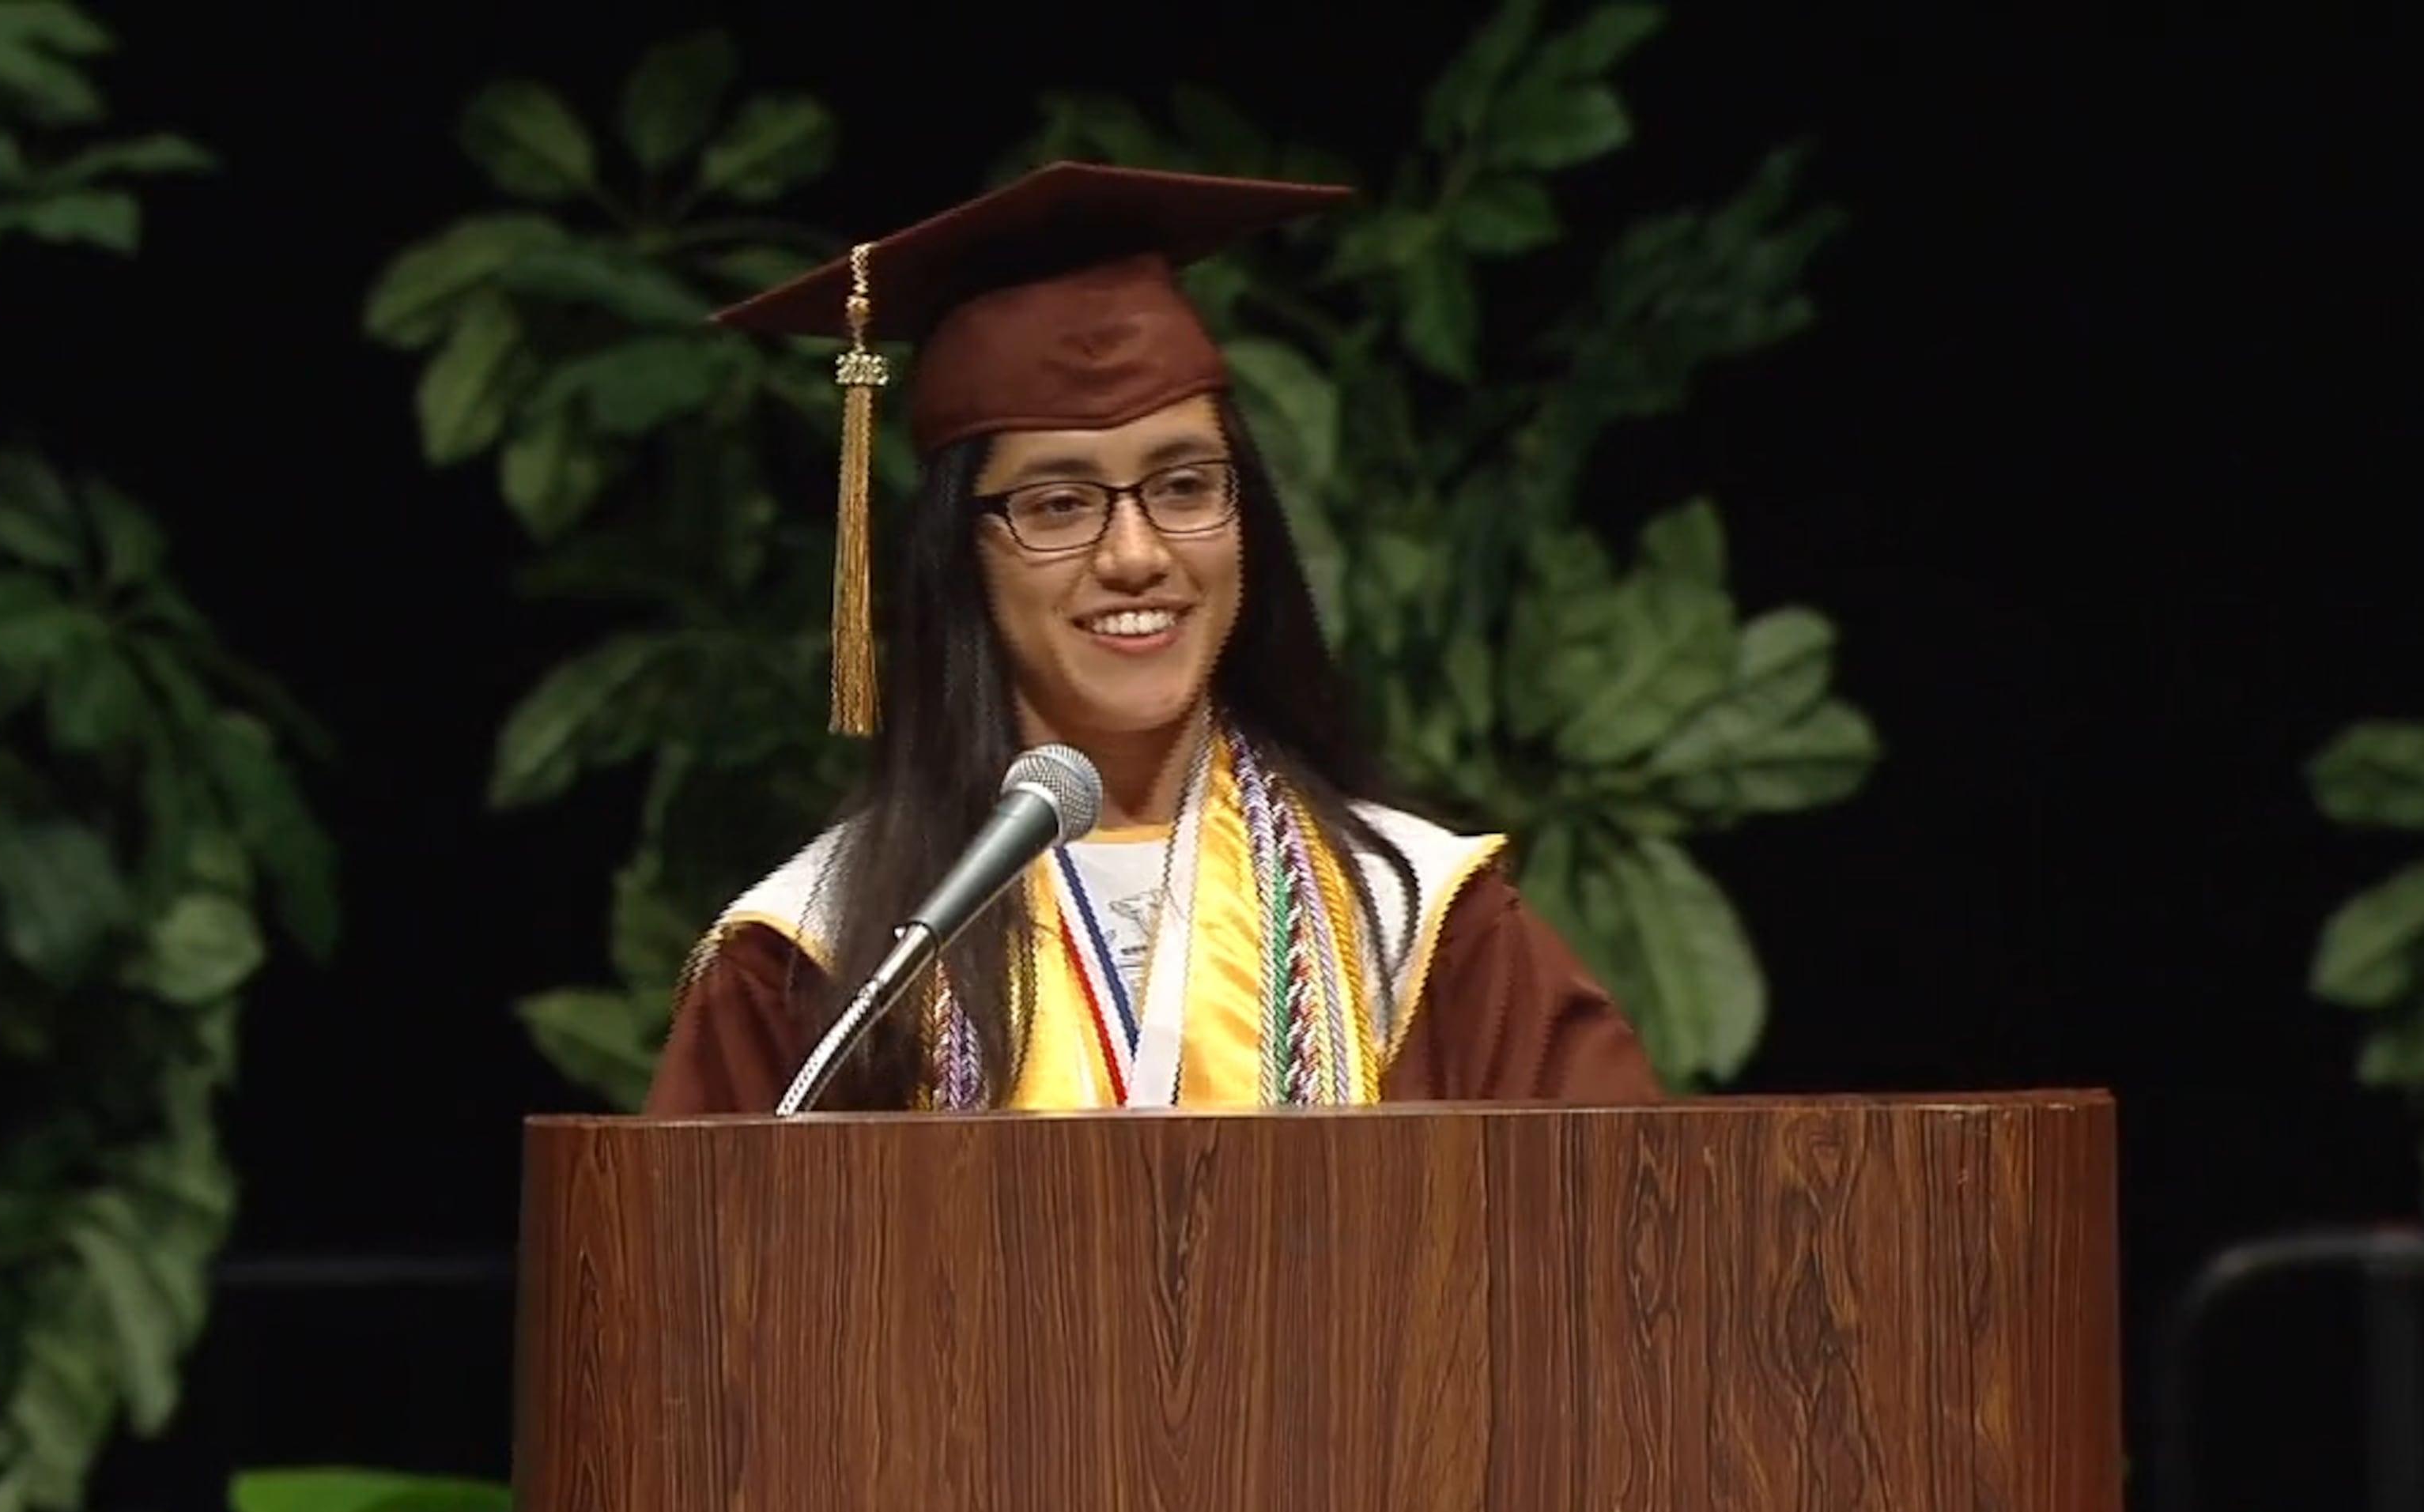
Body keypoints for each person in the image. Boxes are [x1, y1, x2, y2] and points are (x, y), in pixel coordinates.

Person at [641, 161, 1662, 1116]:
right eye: (1058, 503)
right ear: (961, 556)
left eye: (1183, 487)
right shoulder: (815, 963)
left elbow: (1622, 1247)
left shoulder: (1429, 931)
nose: (1136, 554)